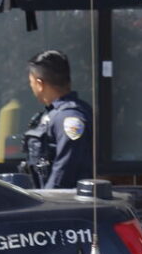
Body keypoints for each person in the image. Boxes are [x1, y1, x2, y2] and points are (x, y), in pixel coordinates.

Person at [18, 49, 92, 189]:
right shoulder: (54, 114)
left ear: (40, 84)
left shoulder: (70, 117)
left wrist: (48, 202)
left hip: (64, 204)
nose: (31, 87)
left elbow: (66, 168)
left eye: (31, 82)